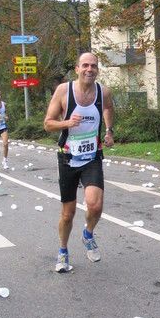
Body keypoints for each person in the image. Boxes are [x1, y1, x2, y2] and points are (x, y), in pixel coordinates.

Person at [44, 52, 114, 273]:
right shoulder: (63, 91)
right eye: (85, 65)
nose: (89, 69)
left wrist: (109, 131)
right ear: (77, 69)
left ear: (97, 70)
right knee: (68, 213)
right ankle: (63, 251)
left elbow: (108, 108)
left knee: (95, 205)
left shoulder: (104, 92)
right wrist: (66, 123)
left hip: (92, 156)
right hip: (68, 157)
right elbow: (47, 124)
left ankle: (88, 234)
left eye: (93, 66)